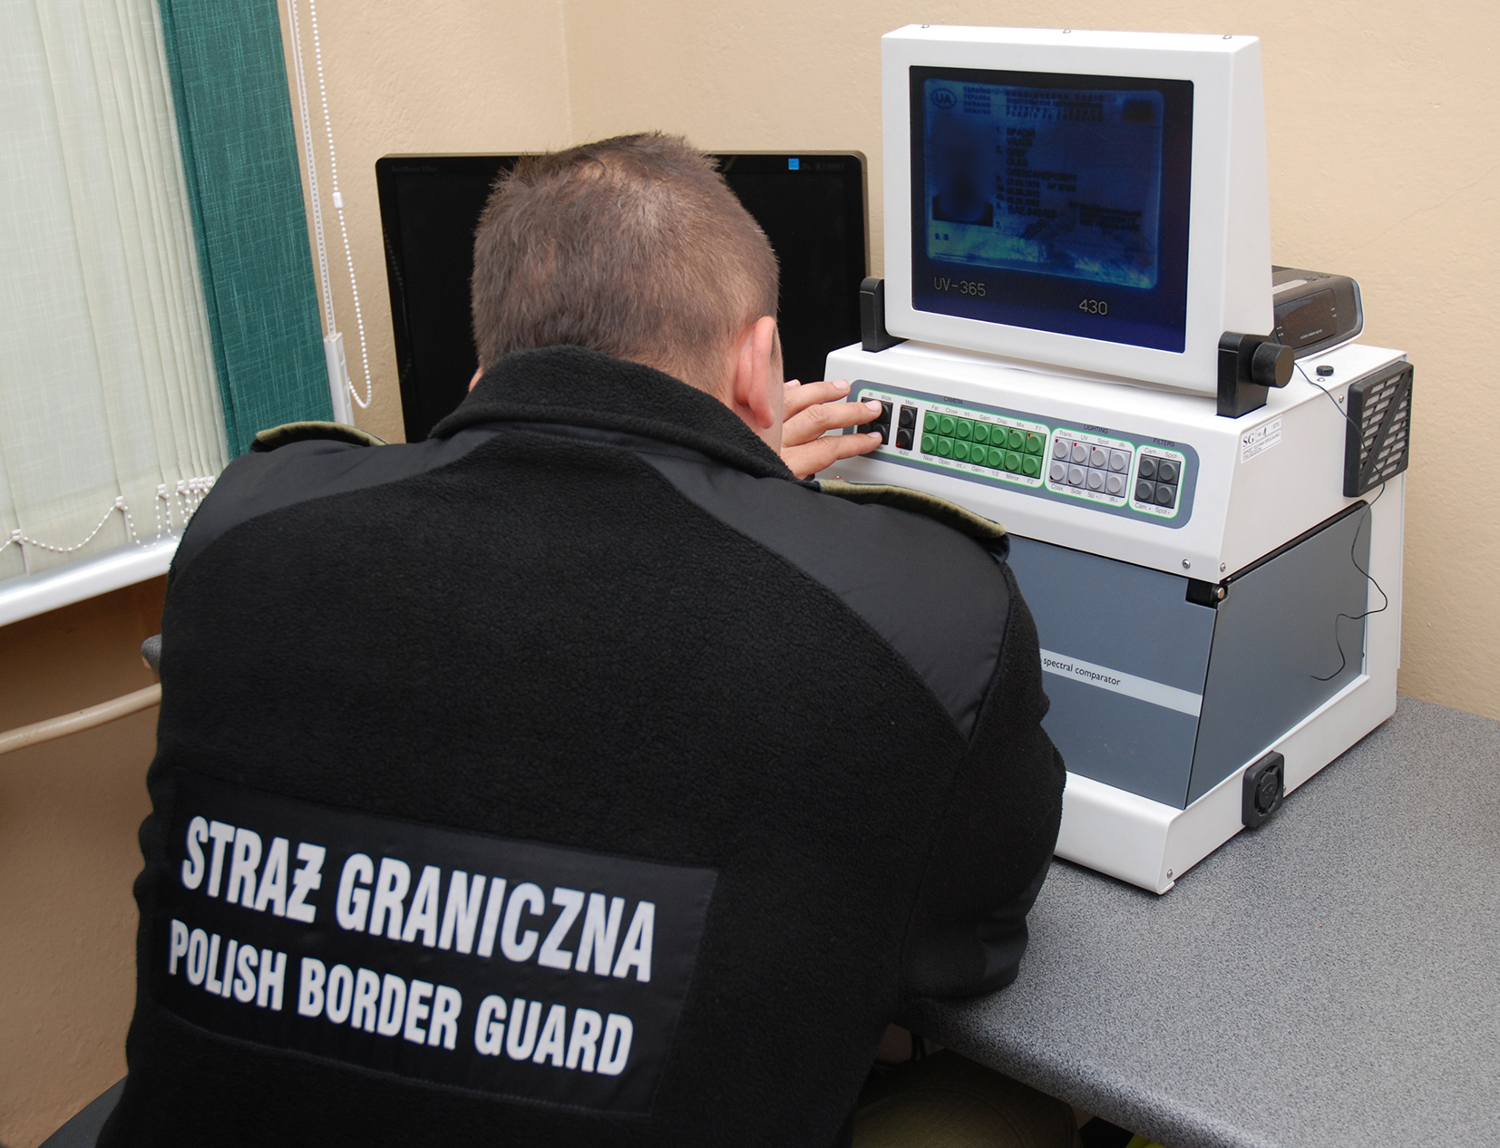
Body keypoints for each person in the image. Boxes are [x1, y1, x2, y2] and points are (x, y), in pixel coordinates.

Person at [102, 133, 1066, 1148]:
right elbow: (970, 944)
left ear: (482, 371)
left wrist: (731, 492)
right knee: (1005, 1113)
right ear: (760, 367)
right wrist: (762, 516)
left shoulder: (243, 531)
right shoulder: (927, 607)